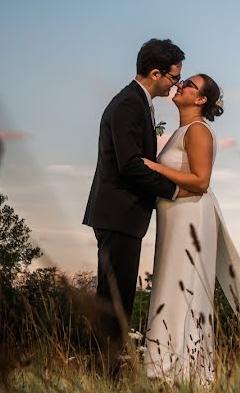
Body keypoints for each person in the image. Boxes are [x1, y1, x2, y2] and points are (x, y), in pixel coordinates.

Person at [141, 73, 240, 385]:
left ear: (201, 100)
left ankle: (187, 373)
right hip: (175, 216)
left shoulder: (199, 131)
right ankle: (164, 368)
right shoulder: (182, 131)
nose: (181, 85)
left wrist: (153, 167)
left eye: (189, 84)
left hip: (190, 215)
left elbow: (201, 181)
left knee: (185, 287)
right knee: (168, 286)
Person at [82, 38, 194, 370]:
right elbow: (130, 165)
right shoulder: (128, 104)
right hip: (118, 214)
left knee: (112, 298)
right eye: (174, 77)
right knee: (116, 300)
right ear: (156, 72)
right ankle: (105, 371)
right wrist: (174, 191)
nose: (175, 84)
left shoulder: (137, 102)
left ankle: (101, 369)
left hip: (119, 214)